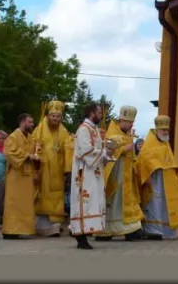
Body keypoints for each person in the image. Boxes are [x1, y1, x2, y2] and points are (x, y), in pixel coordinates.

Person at [135, 116, 178, 240]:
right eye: (163, 130)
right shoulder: (149, 144)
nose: (165, 132)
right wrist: (146, 176)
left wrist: (177, 176)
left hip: (167, 182)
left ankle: (166, 231)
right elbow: (142, 162)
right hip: (155, 180)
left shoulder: (165, 144)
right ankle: (153, 231)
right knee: (154, 204)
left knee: (165, 206)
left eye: (166, 130)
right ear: (157, 130)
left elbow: (171, 162)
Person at [99, 106, 144, 242]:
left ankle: (130, 230)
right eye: (129, 122)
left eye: (132, 122)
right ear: (121, 120)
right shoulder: (112, 133)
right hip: (115, 176)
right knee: (114, 202)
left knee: (127, 202)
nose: (131, 125)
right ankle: (106, 231)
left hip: (126, 176)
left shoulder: (128, 135)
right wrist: (123, 149)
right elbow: (106, 153)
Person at [70, 103, 109, 250]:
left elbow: (98, 148)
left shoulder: (94, 129)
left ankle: (85, 232)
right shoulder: (83, 129)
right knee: (84, 203)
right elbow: (85, 150)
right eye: (99, 112)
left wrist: (106, 153)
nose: (101, 115)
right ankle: (80, 236)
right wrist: (102, 153)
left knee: (93, 201)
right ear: (92, 112)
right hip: (84, 172)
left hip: (94, 172)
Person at [32, 101, 73, 237]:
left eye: (58, 117)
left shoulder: (64, 131)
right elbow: (33, 147)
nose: (55, 119)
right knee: (43, 196)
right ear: (48, 116)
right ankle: (42, 225)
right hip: (43, 169)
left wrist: (68, 170)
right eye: (53, 116)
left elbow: (68, 149)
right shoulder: (39, 130)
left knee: (56, 196)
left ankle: (55, 224)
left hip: (58, 170)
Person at [2, 114, 38, 240]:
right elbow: (9, 152)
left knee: (25, 203)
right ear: (22, 122)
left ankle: (22, 229)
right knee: (13, 203)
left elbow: (35, 151)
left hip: (27, 174)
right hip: (15, 175)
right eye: (30, 122)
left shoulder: (30, 138)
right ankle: (9, 230)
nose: (32, 124)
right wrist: (27, 156)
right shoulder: (13, 136)